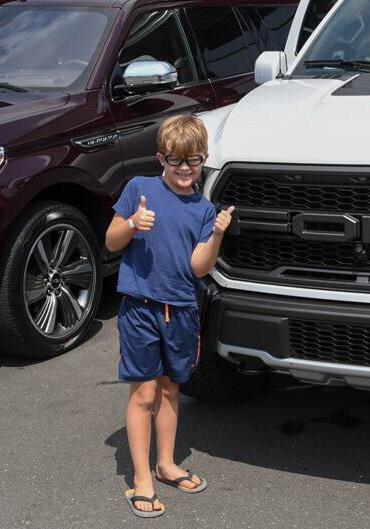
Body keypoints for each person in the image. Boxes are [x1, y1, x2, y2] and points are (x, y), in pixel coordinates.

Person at [105, 114, 234, 518]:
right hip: (140, 307)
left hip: (180, 310)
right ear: (161, 157)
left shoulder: (204, 208)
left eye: (193, 160)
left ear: (204, 160)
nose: (184, 168)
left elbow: (199, 267)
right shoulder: (138, 189)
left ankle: (166, 464)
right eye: (175, 160)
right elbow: (111, 242)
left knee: (170, 390)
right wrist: (131, 223)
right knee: (143, 392)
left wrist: (216, 235)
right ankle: (142, 477)